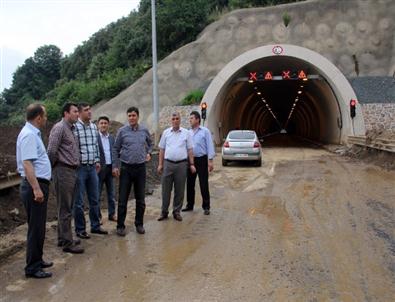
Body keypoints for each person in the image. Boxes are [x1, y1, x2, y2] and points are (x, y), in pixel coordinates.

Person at [16, 103, 53, 278]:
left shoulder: (32, 134)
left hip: (37, 184)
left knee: (38, 227)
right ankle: (32, 267)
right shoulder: (29, 135)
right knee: (36, 228)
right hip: (34, 186)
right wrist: (36, 188)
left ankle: (37, 260)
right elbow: (27, 163)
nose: (46, 119)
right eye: (44, 116)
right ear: (38, 117)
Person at [47, 102, 84, 254]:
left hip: (71, 171)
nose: (77, 114)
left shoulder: (71, 129)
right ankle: (67, 243)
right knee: (65, 208)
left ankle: (63, 238)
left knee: (66, 207)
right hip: (63, 171)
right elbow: (51, 151)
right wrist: (55, 169)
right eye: (75, 111)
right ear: (66, 113)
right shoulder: (59, 128)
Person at [112, 107, 152, 236]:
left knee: (140, 199)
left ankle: (139, 224)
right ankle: (120, 226)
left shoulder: (144, 130)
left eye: (133, 115)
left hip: (140, 168)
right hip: (126, 168)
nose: (131, 118)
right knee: (123, 198)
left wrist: (149, 153)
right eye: (129, 115)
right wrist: (115, 166)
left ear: (138, 116)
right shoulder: (122, 131)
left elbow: (150, 144)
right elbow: (116, 149)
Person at [73, 103, 108, 239]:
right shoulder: (75, 127)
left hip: (92, 168)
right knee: (79, 201)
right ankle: (80, 229)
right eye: (86, 110)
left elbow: (95, 146)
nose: (89, 112)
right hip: (80, 169)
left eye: (90, 109)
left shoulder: (94, 127)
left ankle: (95, 226)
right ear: (80, 113)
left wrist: (98, 160)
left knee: (95, 199)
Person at [157, 112, 196, 222]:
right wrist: (160, 164)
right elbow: (162, 149)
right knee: (166, 189)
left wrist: (192, 164)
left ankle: (176, 211)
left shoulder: (186, 133)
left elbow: (190, 150)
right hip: (168, 164)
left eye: (177, 118)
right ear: (171, 120)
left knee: (179, 190)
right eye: (173, 118)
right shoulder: (166, 133)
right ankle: (164, 212)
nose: (175, 120)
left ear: (180, 120)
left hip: (181, 165)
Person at [183, 111, 215, 215]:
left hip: (202, 159)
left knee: (203, 183)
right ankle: (189, 205)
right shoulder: (188, 132)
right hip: (191, 160)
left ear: (197, 119)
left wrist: (210, 161)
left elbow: (210, 145)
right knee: (190, 184)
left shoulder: (205, 131)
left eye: (192, 118)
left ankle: (206, 206)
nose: (190, 120)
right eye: (190, 118)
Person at [97, 116, 117, 222]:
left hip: (110, 169)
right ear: (98, 125)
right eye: (101, 123)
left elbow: (114, 153)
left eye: (105, 123)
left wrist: (115, 166)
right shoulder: (95, 137)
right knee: (97, 194)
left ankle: (112, 214)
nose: (103, 125)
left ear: (108, 125)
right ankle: (98, 217)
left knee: (111, 194)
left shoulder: (112, 138)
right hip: (99, 169)